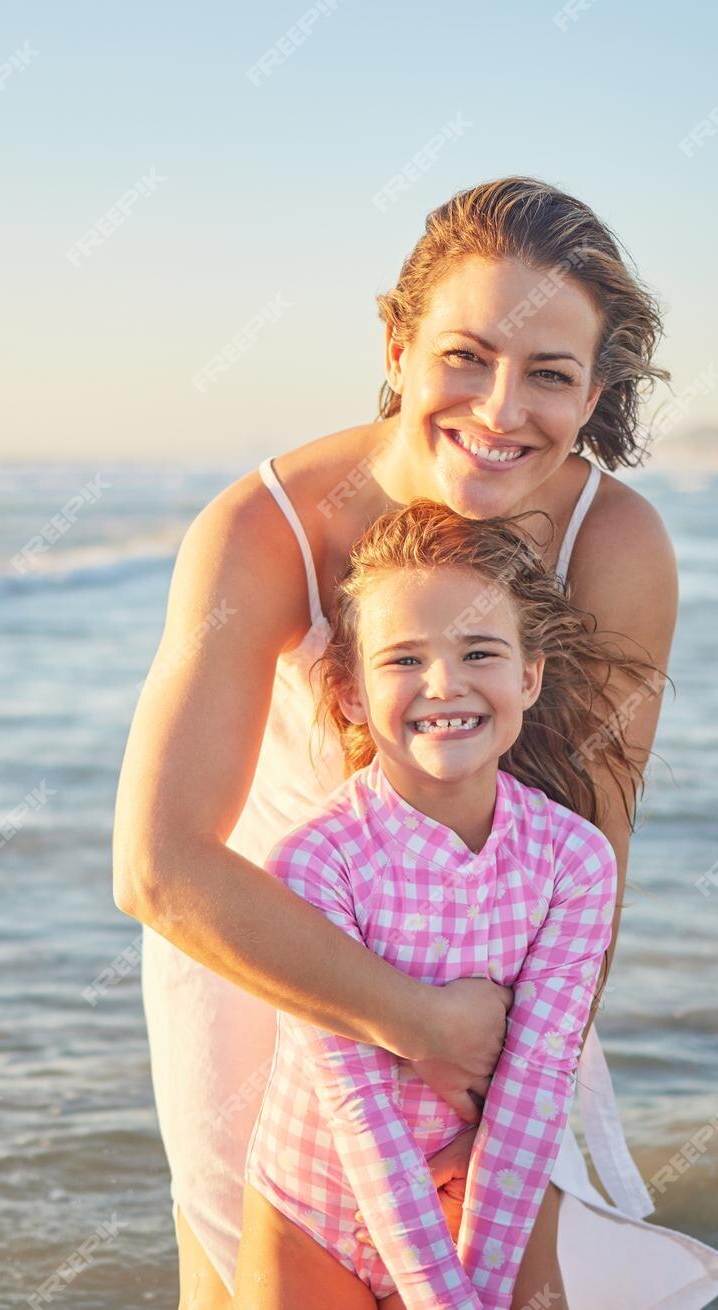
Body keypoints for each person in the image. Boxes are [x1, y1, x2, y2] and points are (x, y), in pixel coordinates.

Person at [113, 176, 718, 1308]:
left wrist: (499, 1075)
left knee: (505, 1278)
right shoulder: (265, 530)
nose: (501, 410)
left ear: (593, 388)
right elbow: (159, 864)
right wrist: (411, 1022)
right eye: (465, 355)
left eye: (548, 374)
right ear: (397, 343)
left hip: (495, 982)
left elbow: (592, 861)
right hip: (271, 955)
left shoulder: (613, 547)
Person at [233, 499, 644, 1309]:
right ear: (349, 691)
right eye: (403, 660)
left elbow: (537, 1082)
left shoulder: (574, 862)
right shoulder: (315, 863)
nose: (444, 684)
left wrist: (476, 1289)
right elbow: (357, 1106)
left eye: (480, 651)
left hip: (488, 1191)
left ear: (529, 677)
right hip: (317, 1203)